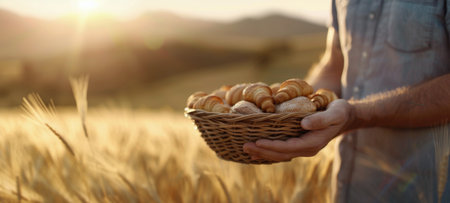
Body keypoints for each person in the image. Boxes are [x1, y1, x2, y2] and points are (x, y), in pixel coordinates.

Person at [243, 0, 450, 202]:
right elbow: (335, 63)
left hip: (425, 187)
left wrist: (357, 115)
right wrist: (291, 109)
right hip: (350, 187)